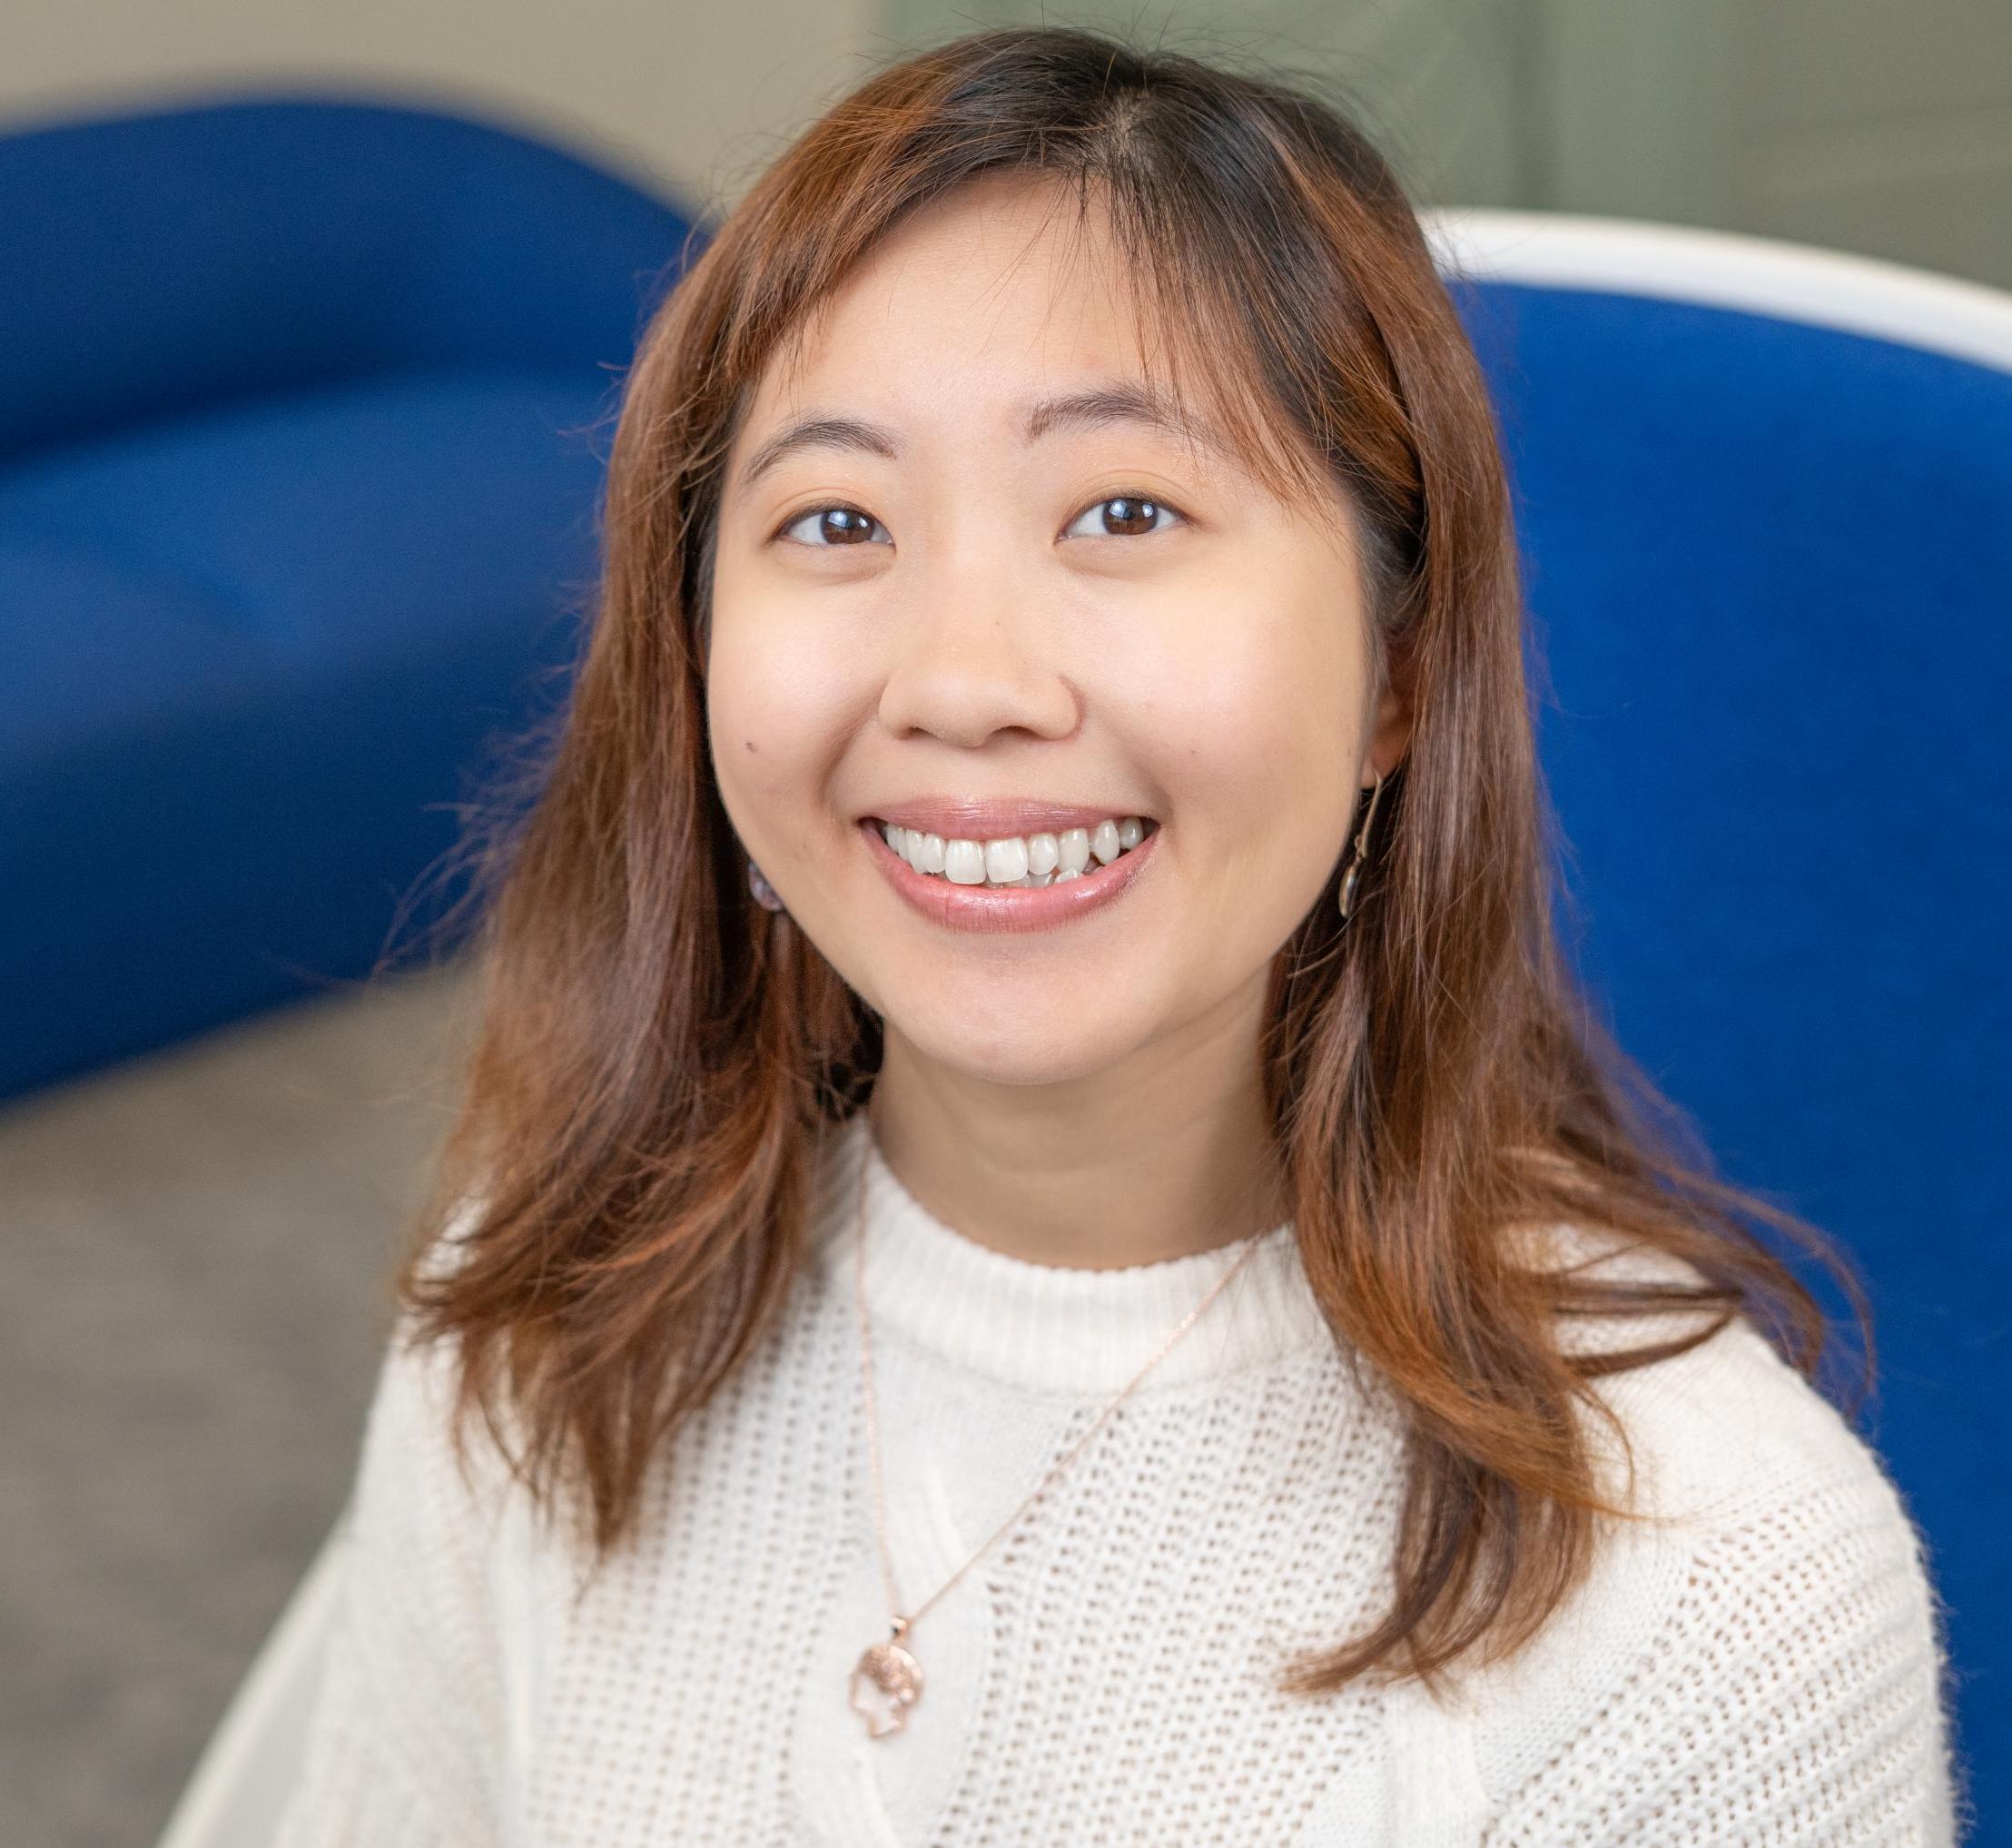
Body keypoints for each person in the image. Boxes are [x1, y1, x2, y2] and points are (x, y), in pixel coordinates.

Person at [272, 25, 1965, 1844]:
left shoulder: (1717, 1595)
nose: (967, 681)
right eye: (836, 519)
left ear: (1398, 672)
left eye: (1126, 510)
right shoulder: (546, 1302)